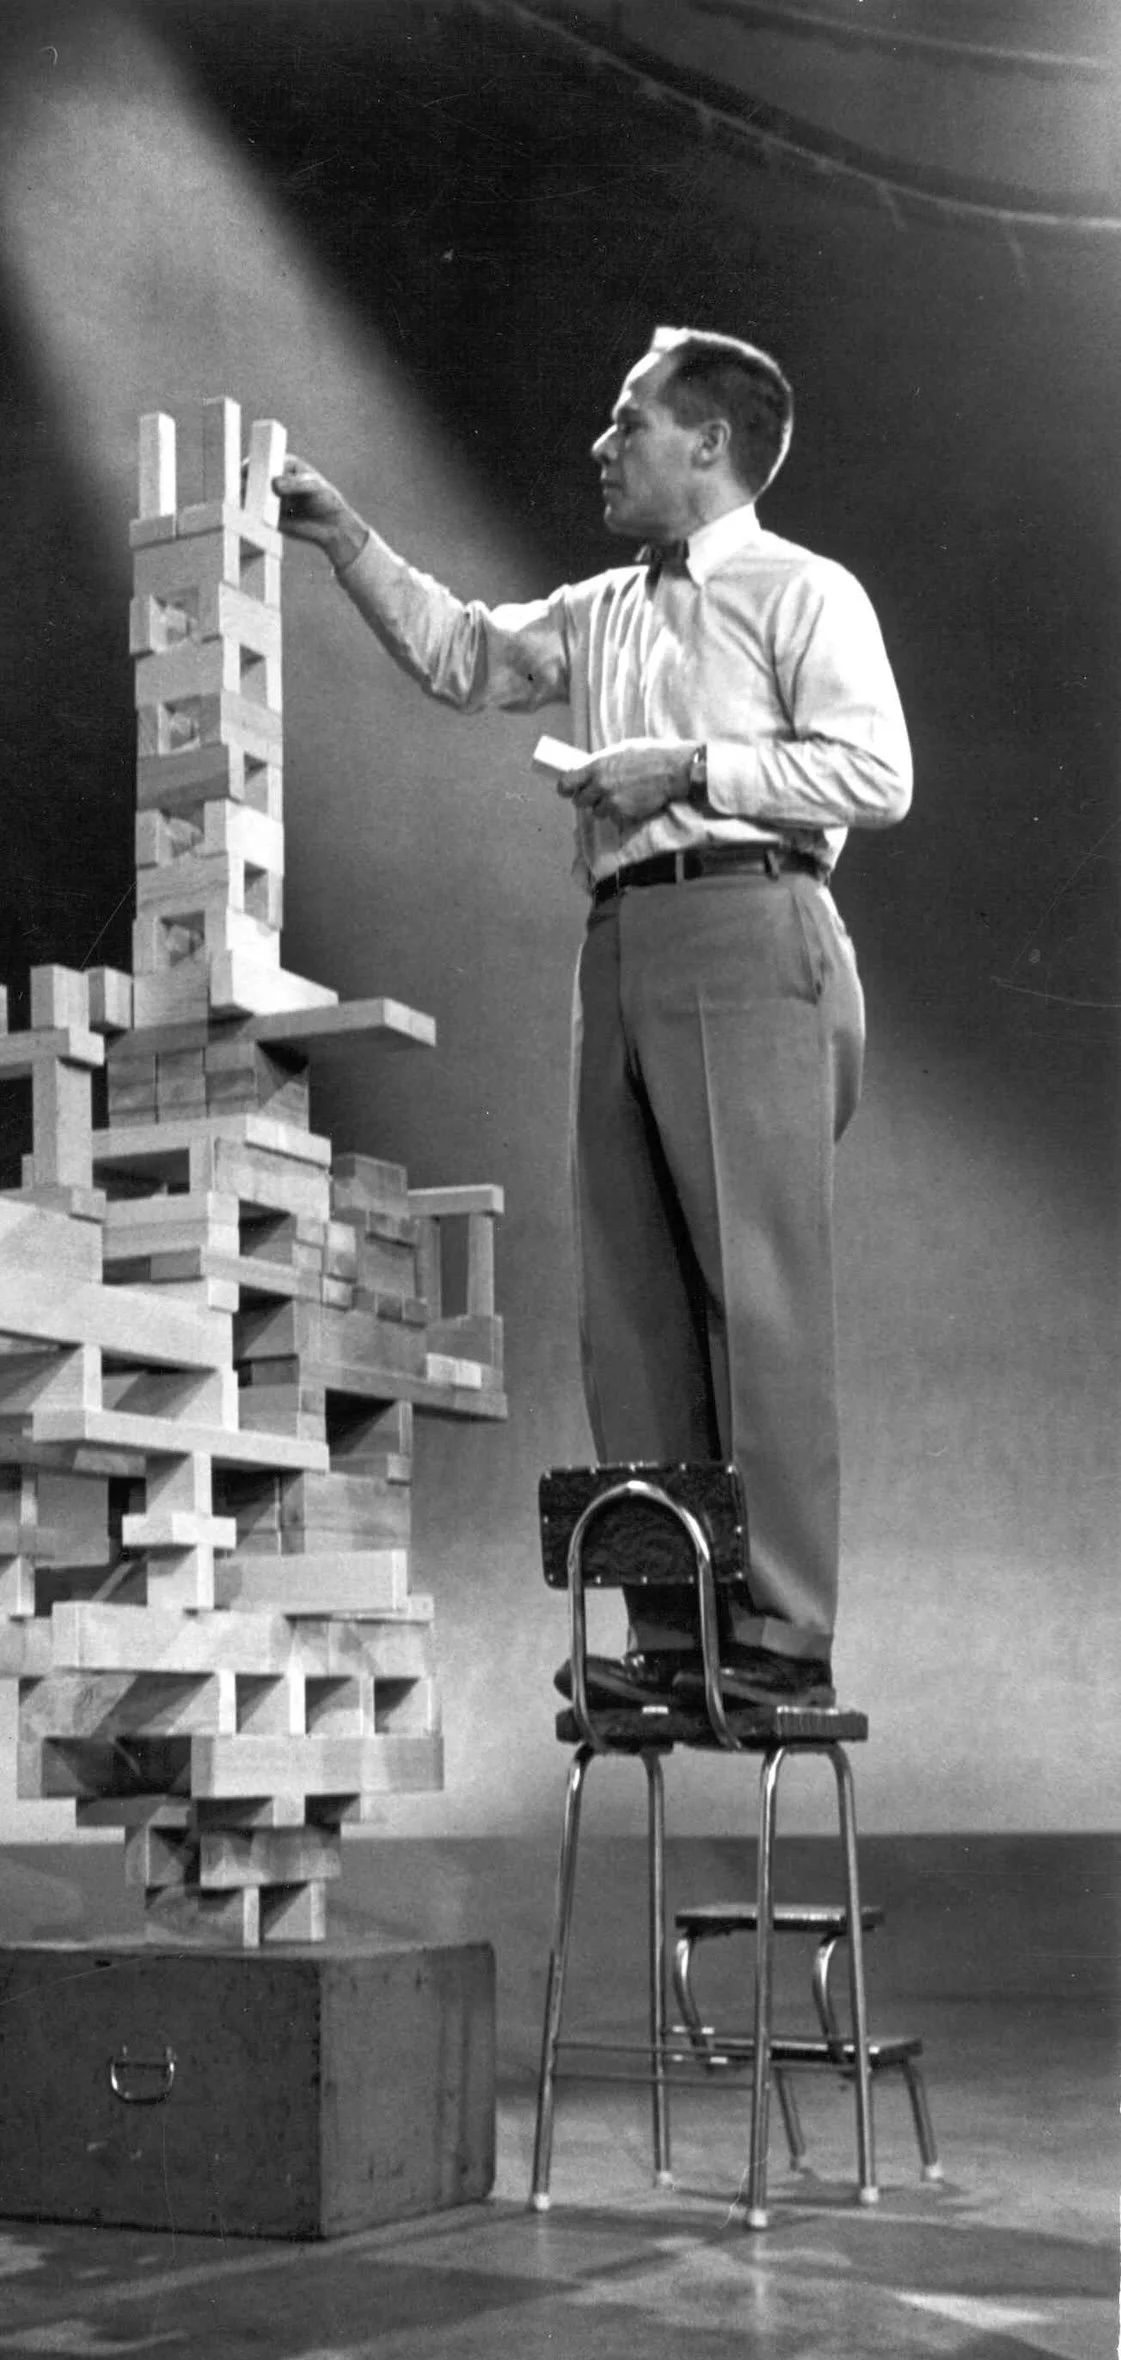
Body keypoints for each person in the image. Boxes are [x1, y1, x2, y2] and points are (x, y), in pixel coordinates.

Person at [275, 326, 911, 1709]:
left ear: (710, 444)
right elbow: (462, 656)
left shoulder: (806, 594)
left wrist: (684, 763)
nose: (601, 447)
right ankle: (672, 1637)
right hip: (624, 938)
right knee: (626, 1307)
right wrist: (342, 535)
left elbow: (875, 769)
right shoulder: (608, 607)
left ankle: (785, 1641)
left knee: (760, 1295)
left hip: (754, 922)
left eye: (628, 422)